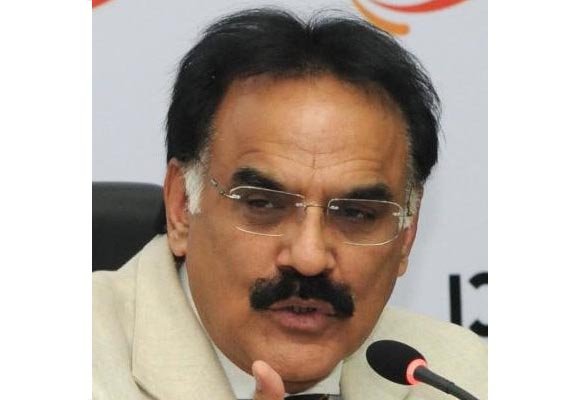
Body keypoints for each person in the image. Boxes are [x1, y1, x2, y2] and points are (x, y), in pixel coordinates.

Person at [92, 8, 487, 400]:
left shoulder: (465, 379)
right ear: (181, 208)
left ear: (406, 235)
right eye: (264, 205)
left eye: (355, 214)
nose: (309, 258)